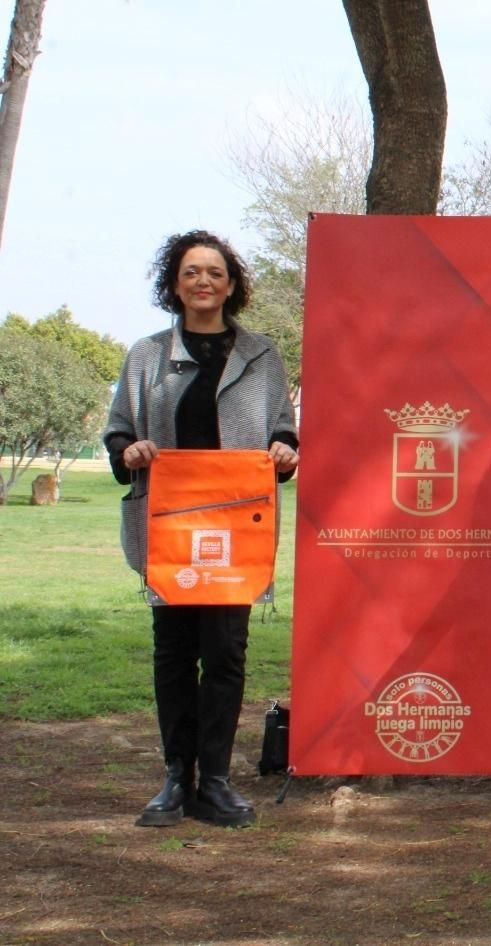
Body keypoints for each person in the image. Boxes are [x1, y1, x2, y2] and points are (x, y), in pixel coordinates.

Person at [105, 231, 299, 827]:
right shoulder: (146, 354)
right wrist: (130, 449)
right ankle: (174, 778)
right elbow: (117, 432)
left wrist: (284, 450)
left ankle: (214, 780)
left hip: (237, 530)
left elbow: (285, 431)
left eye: (215, 272)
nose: (203, 282)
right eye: (191, 272)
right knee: (173, 651)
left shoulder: (261, 354)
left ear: (232, 284)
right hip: (169, 528)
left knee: (225, 652)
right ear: (174, 284)